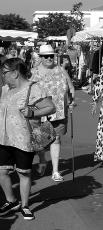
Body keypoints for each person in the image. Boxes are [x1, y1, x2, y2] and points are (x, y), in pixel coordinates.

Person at [0, 58, 55, 220]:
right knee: (1, 171)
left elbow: (50, 107)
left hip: (24, 139)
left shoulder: (33, 88)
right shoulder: (4, 89)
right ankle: (11, 201)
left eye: (4, 73)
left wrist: (32, 113)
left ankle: (25, 205)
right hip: (4, 138)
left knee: (23, 173)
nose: (2, 76)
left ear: (15, 73)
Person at [30, 45, 75, 182]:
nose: (49, 58)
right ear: (41, 57)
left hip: (59, 111)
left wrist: (72, 101)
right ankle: (43, 160)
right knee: (40, 142)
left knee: (56, 139)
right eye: (46, 56)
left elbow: (71, 87)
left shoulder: (61, 70)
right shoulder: (34, 72)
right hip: (40, 112)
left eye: (51, 56)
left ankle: (55, 171)